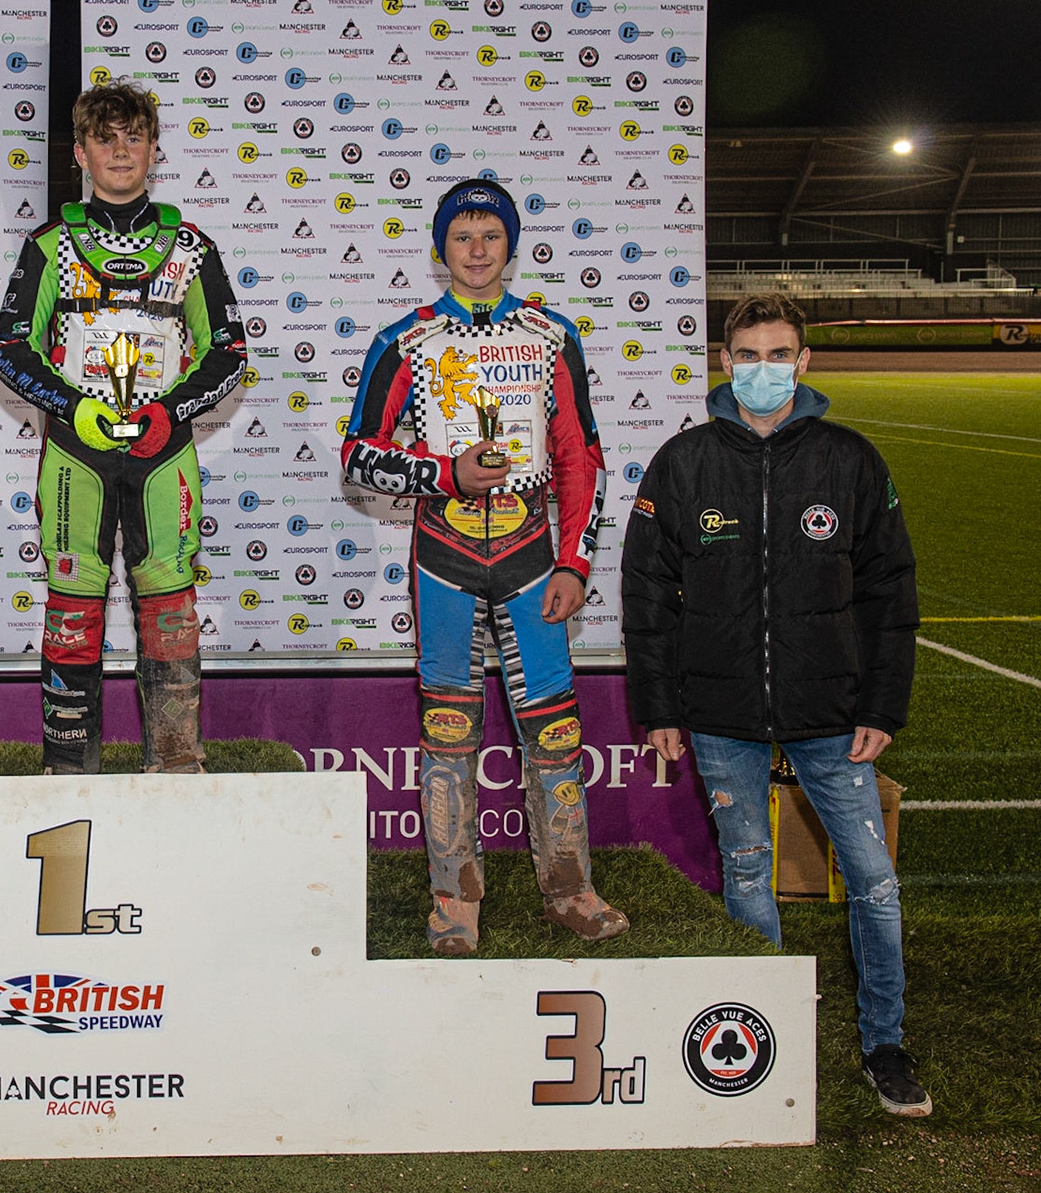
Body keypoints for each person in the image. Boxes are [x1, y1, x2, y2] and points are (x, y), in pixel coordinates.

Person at [622, 292, 928, 1117]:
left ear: (804, 361)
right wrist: (659, 708)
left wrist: (883, 705)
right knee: (749, 872)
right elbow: (648, 599)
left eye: (781, 353)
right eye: (750, 354)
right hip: (721, 713)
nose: (765, 368)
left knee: (873, 880)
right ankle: (763, 1040)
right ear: (726, 362)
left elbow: (889, 594)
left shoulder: (851, 460)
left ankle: (885, 1043)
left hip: (833, 712)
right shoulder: (682, 463)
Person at [341, 177, 628, 955]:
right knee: (447, 732)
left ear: (511, 245)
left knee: (556, 732)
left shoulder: (550, 334)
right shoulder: (405, 340)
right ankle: (454, 897)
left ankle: (569, 888)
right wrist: (446, 475)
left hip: (535, 562)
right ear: (440, 249)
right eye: (462, 237)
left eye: (491, 236)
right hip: (445, 561)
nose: (476, 250)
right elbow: (359, 459)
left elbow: (582, 457)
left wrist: (575, 560)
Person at [0, 80, 247, 774]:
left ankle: (175, 765)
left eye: (135, 137)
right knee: (73, 611)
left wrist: (170, 411)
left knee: (169, 612)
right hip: (79, 453)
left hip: (163, 453)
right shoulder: (49, 245)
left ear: (155, 150)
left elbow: (230, 352)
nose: (122, 151)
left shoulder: (191, 247)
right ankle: (69, 770)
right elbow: (10, 350)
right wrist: (75, 408)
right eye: (107, 138)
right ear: (81, 152)